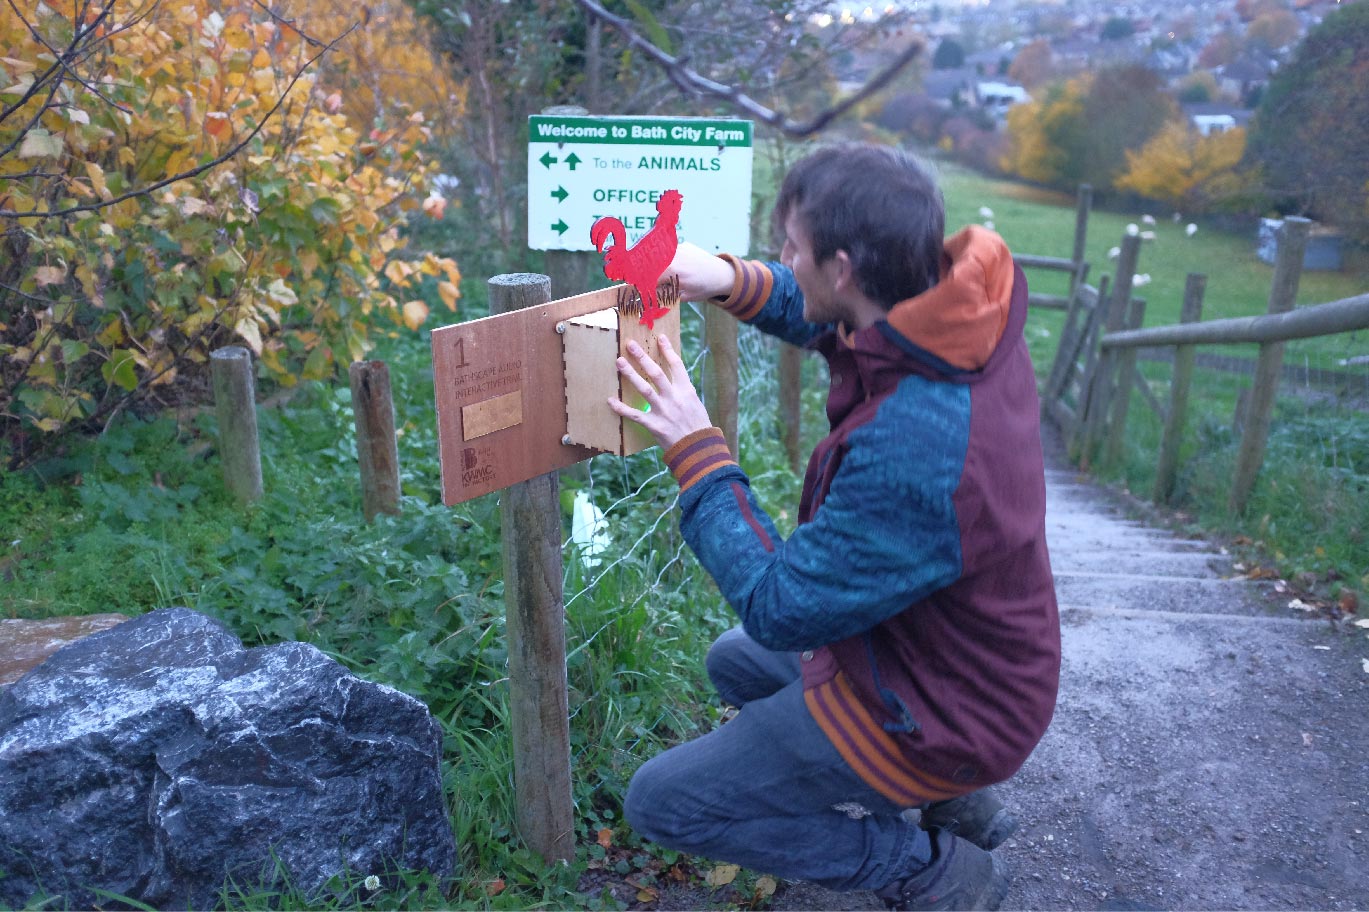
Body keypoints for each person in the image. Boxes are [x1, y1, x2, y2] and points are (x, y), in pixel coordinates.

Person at [606, 142, 1060, 911]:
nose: (781, 258)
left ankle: (929, 869)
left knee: (664, 802)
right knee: (734, 663)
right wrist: (726, 278)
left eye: (790, 248)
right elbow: (837, 324)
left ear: (843, 267)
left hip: (948, 711)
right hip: (959, 664)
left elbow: (781, 607)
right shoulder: (950, 314)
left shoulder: (918, 444)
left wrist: (696, 451)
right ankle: (960, 804)